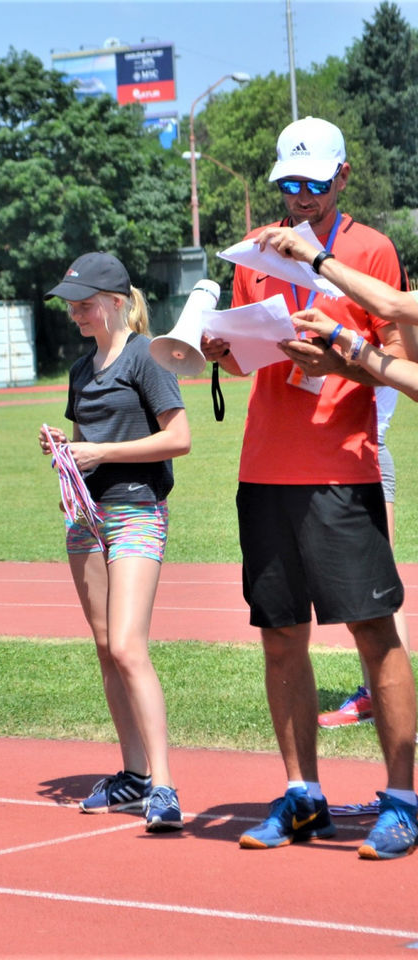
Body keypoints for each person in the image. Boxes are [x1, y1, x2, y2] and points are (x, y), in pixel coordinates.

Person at [201, 116, 418, 860]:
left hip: (342, 471)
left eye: (314, 183)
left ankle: (402, 800)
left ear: (343, 177)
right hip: (265, 468)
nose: (299, 196)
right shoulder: (253, 250)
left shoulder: (371, 250)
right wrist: (221, 350)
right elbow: (245, 361)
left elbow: (398, 362)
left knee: (374, 632)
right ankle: (303, 796)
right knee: (280, 637)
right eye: (288, 183)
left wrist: (338, 362)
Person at [38, 252, 191, 832]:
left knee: (128, 646)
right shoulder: (81, 370)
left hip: (136, 511)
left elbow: (179, 438)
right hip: (87, 518)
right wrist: (66, 453)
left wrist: (101, 451)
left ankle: (164, 784)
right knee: (106, 647)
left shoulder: (147, 356)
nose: (75, 313)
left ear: (116, 301)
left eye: (84, 303)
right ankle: (134, 775)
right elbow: (85, 443)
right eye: (71, 305)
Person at [318, 387, 411, 730]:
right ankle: (376, 697)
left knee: (381, 588)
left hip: (364, 454)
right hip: (336, 458)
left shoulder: (381, 353)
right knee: (364, 589)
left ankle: (398, 706)